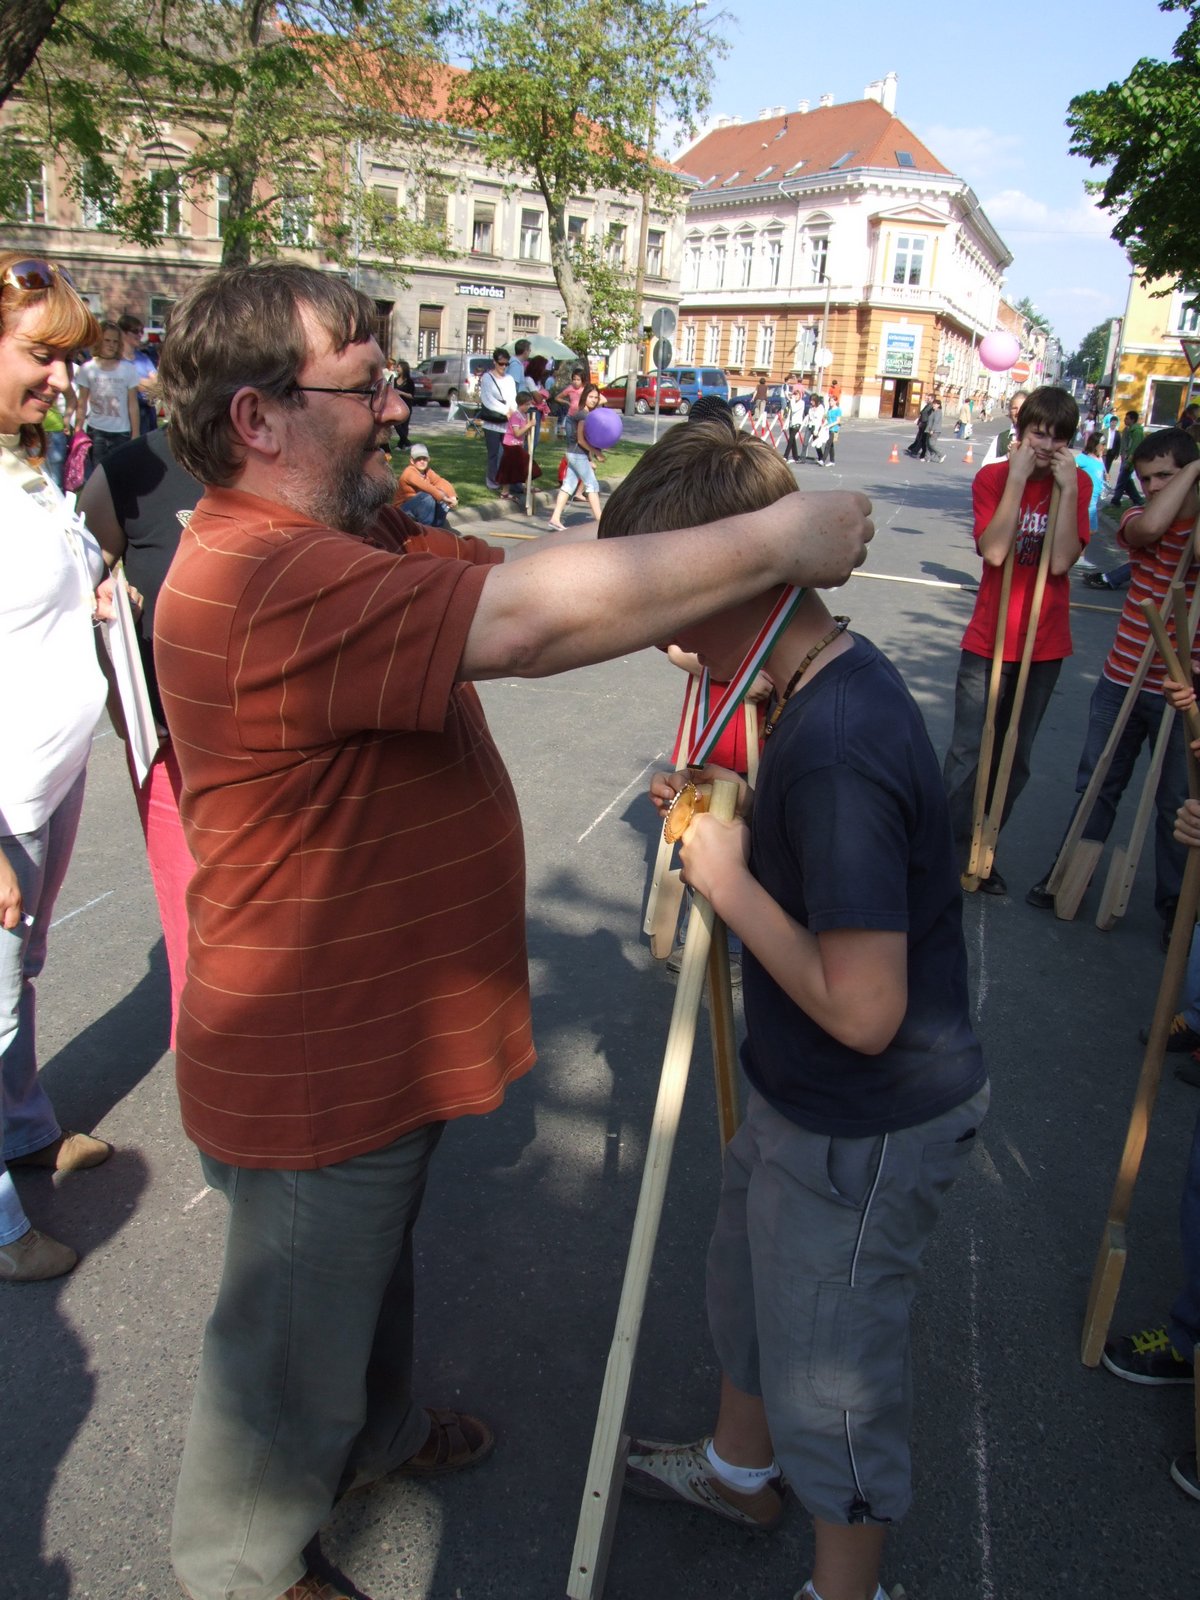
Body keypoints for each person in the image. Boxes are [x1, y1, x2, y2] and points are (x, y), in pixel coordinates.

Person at [151, 261, 875, 1600]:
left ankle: (371, 1435)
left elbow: (552, 580)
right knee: (285, 1350)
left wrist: (694, 576)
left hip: (373, 1041)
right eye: (366, 388)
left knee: (360, 1276)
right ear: (257, 417)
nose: (396, 407)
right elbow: (529, 626)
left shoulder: (352, 540)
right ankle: (245, 1565)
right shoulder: (262, 578)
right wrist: (781, 542)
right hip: (315, 1060)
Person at [599, 422, 985, 1600]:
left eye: (661, 588)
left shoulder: (839, 743)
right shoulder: (809, 689)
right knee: (751, 1293)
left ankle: (846, 1588)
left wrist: (726, 879)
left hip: (864, 1117)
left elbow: (865, 1010)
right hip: (798, 1089)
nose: (649, 622)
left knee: (834, 1376)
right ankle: (739, 1471)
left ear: (727, 578)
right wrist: (734, 811)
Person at [0, 253, 116, 1283]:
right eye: (42, 354)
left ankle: (23, 1129)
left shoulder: (25, 464)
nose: (62, 377)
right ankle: (0, 1228)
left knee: (20, 971)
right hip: (4, 800)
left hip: (48, 771)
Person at [1026, 429, 1200, 940]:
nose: (1153, 486)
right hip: (1122, 679)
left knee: (1176, 801)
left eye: (1165, 475)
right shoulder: (1135, 519)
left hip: (1182, 690)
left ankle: (1177, 908)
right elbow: (1150, 527)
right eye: (1146, 478)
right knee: (1098, 783)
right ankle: (1067, 875)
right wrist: (1193, 470)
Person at [77, 428, 204, 1047]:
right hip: (170, 745)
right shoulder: (131, 471)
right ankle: (211, 1069)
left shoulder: (293, 450)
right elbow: (75, 588)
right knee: (192, 924)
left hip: (291, 744)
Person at [942, 386, 1089, 893]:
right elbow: (996, 551)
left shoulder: (1077, 484)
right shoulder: (993, 478)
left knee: (1016, 755)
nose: (1046, 446)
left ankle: (983, 849)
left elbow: (1061, 561)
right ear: (1020, 433)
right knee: (968, 752)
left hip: (1043, 642)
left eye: (1057, 438)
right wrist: (1018, 480)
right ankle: (947, 851)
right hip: (989, 639)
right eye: (1037, 434)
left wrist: (1067, 490)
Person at [75, 320, 141, 471]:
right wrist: (78, 429)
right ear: (99, 341)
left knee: (120, 471)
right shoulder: (87, 369)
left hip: (121, 431)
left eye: (115, 342)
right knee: (98, 471)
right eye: (107, 340)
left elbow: (132, 404)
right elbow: (82, 402)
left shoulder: (128, 369)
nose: (111, 345)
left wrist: (136, 433)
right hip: (96, 429)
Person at [548, 381, 605, 530]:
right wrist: (597, 453)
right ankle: (601, 521)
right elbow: (580, 440)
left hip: (574, 454)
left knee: (568, 485)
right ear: (584, 397)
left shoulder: (586, 414)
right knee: (592, 485)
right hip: (577, 454)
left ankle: (555, 518)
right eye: (591, 397)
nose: (594, 400)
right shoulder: (583, 415)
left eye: (596, 397)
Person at [392, 441, 458, 525]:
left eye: (424, 458)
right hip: (402, 510)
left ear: (428, 459)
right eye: (418, 459)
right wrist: (445, 499)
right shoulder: (409, 472)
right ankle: (425, 528)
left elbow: (440, 481)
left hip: (419, 507)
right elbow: (427, 487)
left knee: (442, 494)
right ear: (412, 461)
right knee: (429, 496)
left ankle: (436, 528)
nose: (422, 461)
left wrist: (453, 497)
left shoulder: (428, 471)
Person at [478, 346, 516, 489]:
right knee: (493, 453)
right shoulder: (487, 378)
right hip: (492, 422)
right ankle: (492, 479)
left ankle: (505, 479)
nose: (504, 367)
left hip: (507, 422)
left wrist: (512, 411)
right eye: (501, 363)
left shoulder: (510, 379)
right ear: (494, 362)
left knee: (507, 453)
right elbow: (488, 399)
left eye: (506, 364)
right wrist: (505, 410)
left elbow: (513, 397)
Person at [496, 389, 541, 504]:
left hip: (517, 445)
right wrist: (529, 425)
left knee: (515, 467)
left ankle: (523, 486)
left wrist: (528, 427)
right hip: (511, 445)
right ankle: (508, 491)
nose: (528, 407)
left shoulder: (523, 415)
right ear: (521, 404)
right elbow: (517, 433)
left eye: (529, 404)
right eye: (527, 404)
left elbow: (523, 432)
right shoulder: (516, 416)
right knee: (518, 466)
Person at [118, 313, 159, 436]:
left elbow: (158, 384)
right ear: (123, 333)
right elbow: (132, 384)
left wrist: (136, 382)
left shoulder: (143, 358)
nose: (140, 335)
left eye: (141, 331)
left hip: (148, 411)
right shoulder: (117, 360)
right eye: (135, 331)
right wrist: (146, 384)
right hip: (126, 412)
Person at [978, 389, 1030, 469]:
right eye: (1014, 408)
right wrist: (1006, 456)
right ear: (1010, 411)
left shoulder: (1038, 439)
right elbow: (985, 466)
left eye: (1023, 408)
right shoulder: (1002, 438)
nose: (1018, 412)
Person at [1110, 410, 1147, 511]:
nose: (1125, 420)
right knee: (1127, 481)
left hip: (1130, 461)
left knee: (1121, 480)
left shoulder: (1137, 432)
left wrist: (1129, 462)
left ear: (1133, 420)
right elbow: (1124, 445)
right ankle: (1138, 500)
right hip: (1125, 459)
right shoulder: (1127, 430)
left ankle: (1115, 500)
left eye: (1127, 418)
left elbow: (1135, 448)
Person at [392, 357, 415, 450]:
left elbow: (411, 395)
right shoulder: (394, 380)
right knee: (396, 424)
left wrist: (401, 393)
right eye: (397, 367)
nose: (397, 369)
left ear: (404, 369)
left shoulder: (409, 382)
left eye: (399, 367)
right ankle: (407, 443)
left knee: (404, 426)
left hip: (406, 406)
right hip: (396, 406)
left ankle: (401, 445)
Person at [918, 395, 943, 463]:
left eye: (935, 404)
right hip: (928, 429)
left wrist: (932, 430)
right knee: (927, 444)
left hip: (935, 431)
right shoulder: (933, 411)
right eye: (933, 404)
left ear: (939, 405)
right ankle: (927, 458)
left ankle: (940, 455)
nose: (934, 405)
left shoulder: (938, 412)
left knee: (931, 444)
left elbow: (935, 422)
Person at [824, 391, 842, 466]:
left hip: (834, 429)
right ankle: (832, 461)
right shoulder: (829, 410)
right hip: (828, 429)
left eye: (832, 401)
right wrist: (824, 425)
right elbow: (827, 419)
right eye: (829, 401)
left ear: (835, 401)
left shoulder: (838, 410)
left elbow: (838, 421)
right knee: (831, 445)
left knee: (828, 444)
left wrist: (829, 425)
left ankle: (822, 460)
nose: (830, 402)